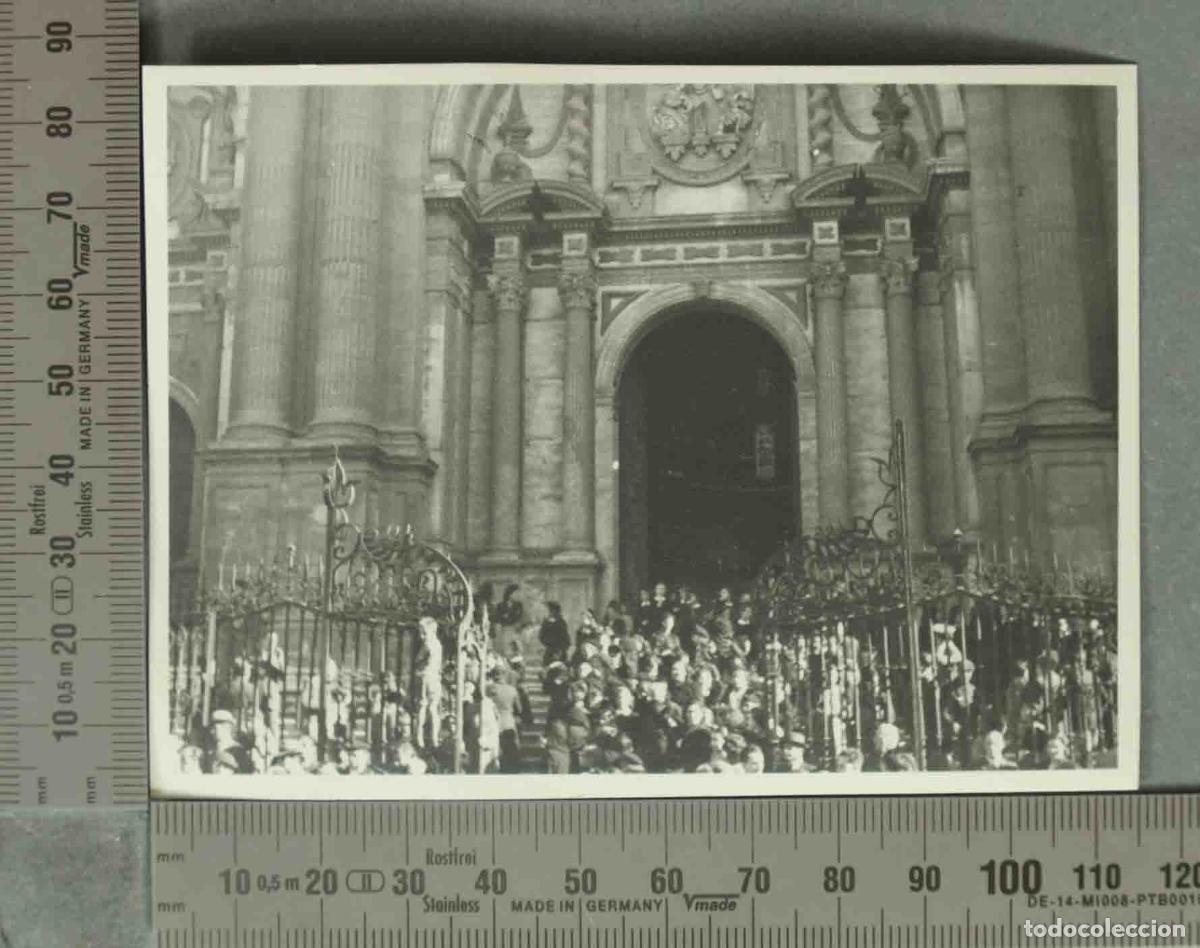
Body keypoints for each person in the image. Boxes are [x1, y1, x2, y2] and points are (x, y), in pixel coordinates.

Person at [414, 616, 444, 750]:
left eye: (424, 633)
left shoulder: (427, 644)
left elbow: (418, 659)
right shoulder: (438, 644)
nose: (421, 636)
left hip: (425, 676)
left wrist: (421, 663)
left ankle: (420, 738)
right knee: (433, 708)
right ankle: (434, 738)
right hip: (435, 677)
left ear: (432, 631)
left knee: (422, 706)